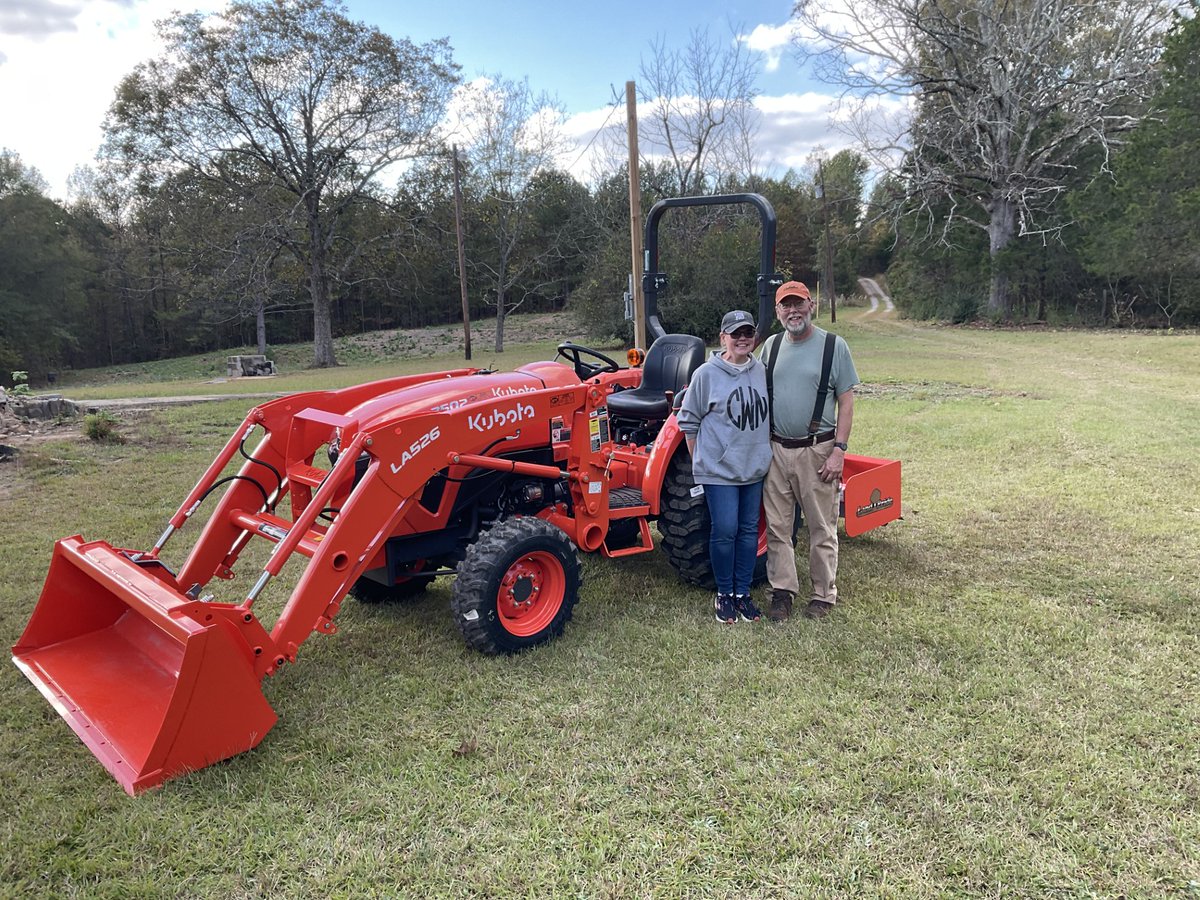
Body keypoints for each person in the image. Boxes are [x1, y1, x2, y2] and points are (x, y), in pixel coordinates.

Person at [759, 281, 859, 621]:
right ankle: (783, 592)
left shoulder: (833, 346)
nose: (792, 311)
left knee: (821, 526)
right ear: (777, 311)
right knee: (777, 527)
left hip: (817, 451)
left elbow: (846, 402)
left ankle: (822, 595)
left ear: (811, 304)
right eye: (785, 306)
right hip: (775, 450)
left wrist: (839, 450)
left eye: (798, 304)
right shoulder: (770, 347)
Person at [677, 309, 772, 624]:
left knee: (748, 531)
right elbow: (688, 421)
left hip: (754, 468)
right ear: (723, 338)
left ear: (754, 338)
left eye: (748, 333)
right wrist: (700, 461)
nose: (742, 339)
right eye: (736, 334)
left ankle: (743, 593)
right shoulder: (707, 374)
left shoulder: (761, 371)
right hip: (719, 471)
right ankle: (724, 595)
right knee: (725, 530)